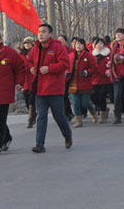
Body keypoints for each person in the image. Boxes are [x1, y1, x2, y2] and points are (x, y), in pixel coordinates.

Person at [28, 23, 72, 153]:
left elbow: (65, 64)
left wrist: (50, 68)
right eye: (39, 32)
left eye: (44, 31)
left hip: (54, 89)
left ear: (50, 34)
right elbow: (29, 61)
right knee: (41, 116)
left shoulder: (57, 47)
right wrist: (30, 68)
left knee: (59, 116)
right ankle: (39, 144)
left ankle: (67, 135)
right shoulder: (35, 48)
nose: (40, 34)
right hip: (39, 89)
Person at [66, 38, 98, 128]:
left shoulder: (88, 56)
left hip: (84, 83)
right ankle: (78, 121)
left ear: (84, 46)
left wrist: (86, 72)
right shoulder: (70, 56)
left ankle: (92, 111)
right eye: (76, 44)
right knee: (75, 103)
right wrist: (66, 72)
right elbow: (66, 67)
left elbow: (94, 68)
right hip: (73, 83)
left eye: (80, 44)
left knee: (85, 103)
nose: (78, 46)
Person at [92, 38, 112, 123]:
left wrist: (109, 71)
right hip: (94, 79)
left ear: (104, 45)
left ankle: (103, 115)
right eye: (97, 44)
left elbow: (112, 65)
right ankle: (103, 108)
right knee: (94, 97)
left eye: (101, 43)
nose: (99, 45)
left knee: (102, 97)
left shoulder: (108, 54)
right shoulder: (92, 55)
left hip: (105, 80)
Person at [19, 36, 36, 128]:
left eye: (29, 43)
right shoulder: (21, 55)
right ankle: (33, 114)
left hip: (33, 79)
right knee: (27, 101)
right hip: (24, 81)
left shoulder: (36, 53)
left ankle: (30, 119)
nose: (27, 45)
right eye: (25, 43)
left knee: (31, 101)